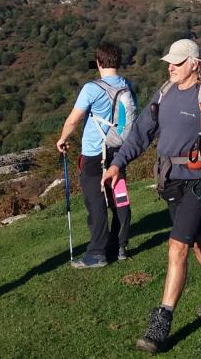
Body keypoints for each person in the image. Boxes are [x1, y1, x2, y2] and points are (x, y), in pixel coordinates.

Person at [102, 39, 201, 353]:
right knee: (195, 241)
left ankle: (161, 322)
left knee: (177, 245)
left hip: (198, 180)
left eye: (178, 62)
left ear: (194, 63)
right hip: (169, 182)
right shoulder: (164, 92)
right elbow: (140, 132)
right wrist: (117, 164)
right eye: (170, 61)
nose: (171, 66)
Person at [55, 42, 135, 268]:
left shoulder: (92, 88)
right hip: (119, 151)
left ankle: (97, 253)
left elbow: (73, 120)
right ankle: (119, 246)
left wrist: (63, 139)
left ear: (98, 62)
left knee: (95, 200)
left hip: (94, 154)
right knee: (119, 197)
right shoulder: (127, 85)